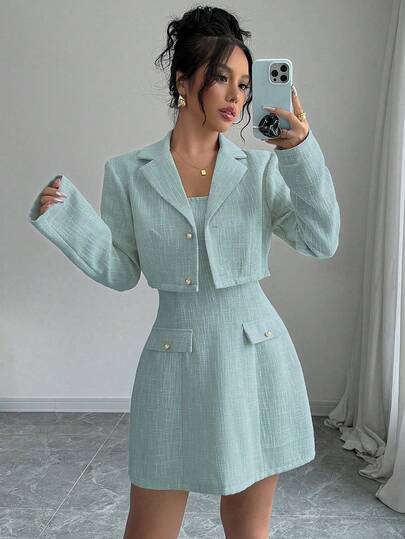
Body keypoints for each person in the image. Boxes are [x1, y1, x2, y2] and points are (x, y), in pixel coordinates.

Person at [28, 5, 340, 538]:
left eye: (244, 83)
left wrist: (300, 153)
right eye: (221, 78)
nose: (236, 96)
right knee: (148, 528)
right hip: (172, 365)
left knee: (248, 530)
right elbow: (121, 269)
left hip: (255, 359)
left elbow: (321, 239)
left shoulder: (262, 168)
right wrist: (66, 219)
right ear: (182, 82)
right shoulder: (128, 172)